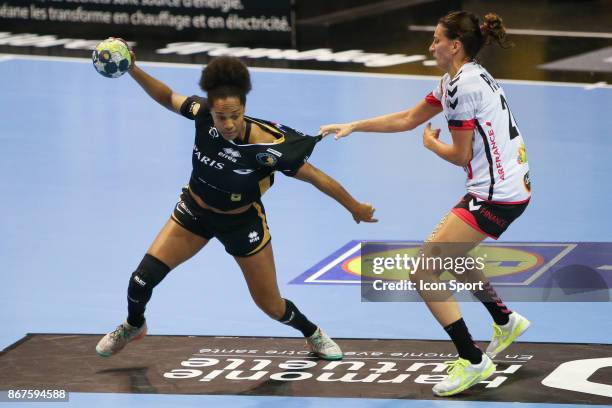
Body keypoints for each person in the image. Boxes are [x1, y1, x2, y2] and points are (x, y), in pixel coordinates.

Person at [95, 46, 378, 361]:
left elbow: (316, 177)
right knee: (140, 281)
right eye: (221, 117)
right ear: (211, 112)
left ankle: (312, 332)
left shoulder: (267, 146)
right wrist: (133, 67)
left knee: (272, 306)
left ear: (244, 108)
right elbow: (167, 96)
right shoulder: (201, 114)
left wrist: (354, 207)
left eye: (235, 116)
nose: (228, 124)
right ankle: (134, 325)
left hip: (242, 224)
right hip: (194, 213)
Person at [320, 11, 531, 396]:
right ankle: (505, 320)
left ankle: (472, 360)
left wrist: (432, 145)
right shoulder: (462, 76)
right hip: (504, 186)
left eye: (436, 40)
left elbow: (461, 155)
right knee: (451, 254)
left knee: (424, 271)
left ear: (455, 45)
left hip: (496, 195)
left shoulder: (462, 88)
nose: (431, 46)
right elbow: (407, 118)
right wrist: (353, 125)